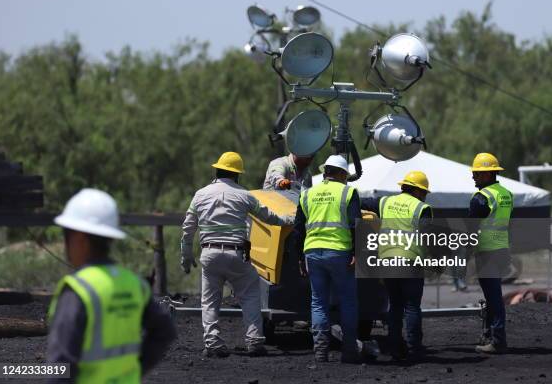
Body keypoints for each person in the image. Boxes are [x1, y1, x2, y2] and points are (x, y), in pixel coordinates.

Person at [47, 188, 176, 383]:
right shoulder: (134, 284)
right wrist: (136, 370)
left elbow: (61, 368)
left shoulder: (78, 291)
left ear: (79, 239)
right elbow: (165, 331)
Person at [180, 151, 293, 358]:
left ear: (216, 170)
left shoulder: (200, 194)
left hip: (210, 254)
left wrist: (186, 256)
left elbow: (188, 227)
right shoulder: (245, 195)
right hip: (236, 254)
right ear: (237, 175)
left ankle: (212, 342)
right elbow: (267, 216)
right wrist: (289, 219)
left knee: (210, 300)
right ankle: (254, 341)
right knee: (250, 294)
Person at [291, 154, 363, 363]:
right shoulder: (348, 192)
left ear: (325, 172)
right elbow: (355, 224)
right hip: (340, 252)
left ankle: (321, 351)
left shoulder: (307, 194)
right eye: (346, 176)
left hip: (312, 252)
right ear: (341, 173)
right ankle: (349, 351)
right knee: (348, 301)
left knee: (318, 303)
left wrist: (298, 257)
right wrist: (357, 252)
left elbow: (298, 229)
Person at [363, 171, 433, 362]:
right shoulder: (422, 208)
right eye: (424, 192)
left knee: (394, 306)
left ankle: (394, 349)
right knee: (411, 307)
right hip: (410, 262)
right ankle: (413, 350)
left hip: (387, 261)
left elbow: (361, 204)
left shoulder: (384, 202)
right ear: (418, 191)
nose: (425, 195)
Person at [469, 152, 513, 354]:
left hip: (486, 251)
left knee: (493, 296)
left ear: (487, 175)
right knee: (494, 294)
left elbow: (471, 227)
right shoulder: (505, 194)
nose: (474, 177)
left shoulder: (481, 198)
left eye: (477, 174)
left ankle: (497, 340)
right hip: (501, 249)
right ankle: (492, 335)